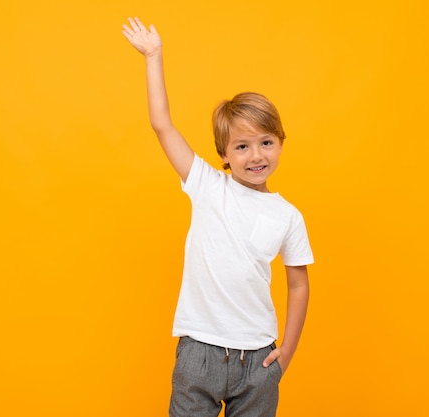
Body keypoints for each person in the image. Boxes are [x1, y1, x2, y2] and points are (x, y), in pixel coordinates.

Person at [122, 17, 314, 417]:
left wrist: (286, 355)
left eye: (265, 142)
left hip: (259, 360)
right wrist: (154, 57)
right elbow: (162, 125)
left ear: (280, 145)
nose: (256, 155)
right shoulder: (207, 185)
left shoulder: (288, 216)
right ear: (224, 155)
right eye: (241, 146)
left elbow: (298, 285)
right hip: (199, 354)